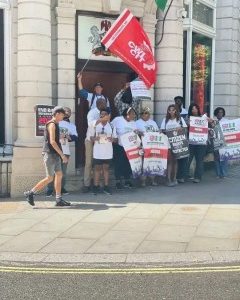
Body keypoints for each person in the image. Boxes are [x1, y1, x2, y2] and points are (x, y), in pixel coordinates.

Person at [24, 106, 71, 207]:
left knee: (59, 175)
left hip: (55, 154)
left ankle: (58, 199)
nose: (63, 117)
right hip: (50, 154)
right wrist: (62, 155)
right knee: (50, 177)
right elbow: (52, 142)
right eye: (62, 115)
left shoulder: (56, 124)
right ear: (57, 114)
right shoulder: (52, 124)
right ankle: (30, 193)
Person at [46, 107, 78, 197]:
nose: (67, 113)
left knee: (62, 172)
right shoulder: (55, 123)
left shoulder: (71, 125)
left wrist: (68, 137)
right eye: (65, 112)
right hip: (54, 150)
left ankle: (61, 189)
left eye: (69, 112)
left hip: (65, 150)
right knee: (52, 172)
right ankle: (50, 189)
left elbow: (76, 137)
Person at [82, 98, 108, 192]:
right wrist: (101, 119)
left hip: (101, 140)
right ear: (99, 104)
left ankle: (97, 184)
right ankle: (87, 185)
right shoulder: (92, 112)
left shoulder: (106, 112)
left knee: (99, 163)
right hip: (91, 140)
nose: (106, 105)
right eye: (104, 103)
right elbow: (90, 124)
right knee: (89, 163)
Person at [89, 109, 117, 195]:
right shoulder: (95, 125)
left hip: (108, 151)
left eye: (105, 114)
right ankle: (96, 186)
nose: (102, 116)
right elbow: (91, 137)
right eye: (101, 114)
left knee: (106, 169)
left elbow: (116, 139)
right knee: (97, 169)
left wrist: (112, 139)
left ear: (109, 116)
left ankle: (106, 186)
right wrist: (95, 138)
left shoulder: (112, 126)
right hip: (98, 151)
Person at [160, 104, 187, 187]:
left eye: (173, 110)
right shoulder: (165, 120)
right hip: (168, 143)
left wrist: (181, 129)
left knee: (175, 161)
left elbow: (185, 129)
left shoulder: (180, 119)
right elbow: (162, 130)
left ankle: (174, 178)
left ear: (176, 111)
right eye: (170, 110)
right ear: (168, 111)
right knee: (169, 161)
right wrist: (162, 131)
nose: (171, 111)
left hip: (178, 143)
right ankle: (168, 179)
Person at [111, 107, 138, 190]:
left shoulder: (133, 123)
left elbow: (135, 133)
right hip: (119, 146)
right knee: (118, 164)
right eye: (132, 114)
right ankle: (118, 181)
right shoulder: (118, 119)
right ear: (127, 114)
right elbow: (111, 127)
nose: (134, 116)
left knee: (128, 163)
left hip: (130, 147)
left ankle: (127, 180)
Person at [135, 107, 159, 186]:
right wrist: (138, 132)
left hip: (152, 146)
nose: (146, 115)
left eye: (147, 113)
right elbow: (134, 132)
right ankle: (143, 181)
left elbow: (157, 132)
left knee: (152, 162)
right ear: (141, 114)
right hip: (142, 146)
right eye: (144, 113)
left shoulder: (153, 122)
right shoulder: (137, 123)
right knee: (143, 163)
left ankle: (153, 180)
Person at [187, 103, 209, 183]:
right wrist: (188, 124)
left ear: (198, 109)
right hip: (191, 142)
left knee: (199, 160)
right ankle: (184, 175)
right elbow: (185, 129)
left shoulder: (203, 118)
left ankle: (198, 177)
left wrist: (209, 120)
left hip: (201, 143)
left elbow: (211, 124)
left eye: (195, 108)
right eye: (192, 109)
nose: (194, 110)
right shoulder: (188, 118)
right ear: (190, 110)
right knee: (188, 159)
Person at [213, 107, 228, 178]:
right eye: (218, 112)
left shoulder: (226, 121)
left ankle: (224, 173)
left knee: (224, 158)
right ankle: (218, 174)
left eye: (221, 112)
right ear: (216, 113)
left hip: (224, 142)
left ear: (223, 113)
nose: (220, 114)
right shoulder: (213, 121)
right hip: (216, 142)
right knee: (216, 158)